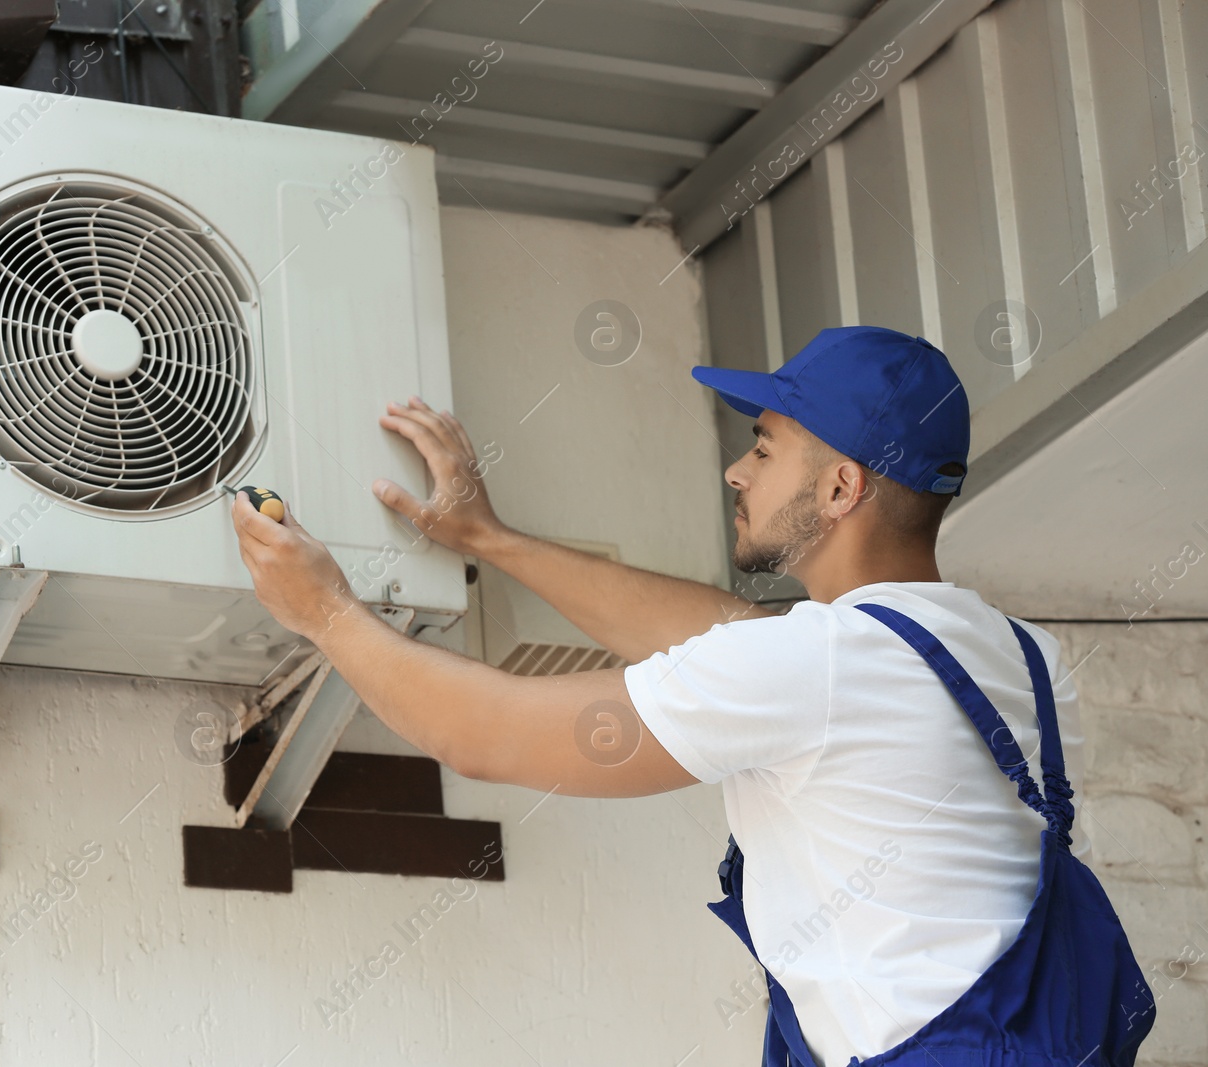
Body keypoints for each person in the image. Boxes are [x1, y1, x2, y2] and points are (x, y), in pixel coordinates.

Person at [230, 325, 1155, 1066]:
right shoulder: (1019, 657)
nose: (737, 472)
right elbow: (733, 640)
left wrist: (329, 613)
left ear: (841, 486)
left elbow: (491, 734)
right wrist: (493, 539)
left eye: (764, 446)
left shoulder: (824, 666)